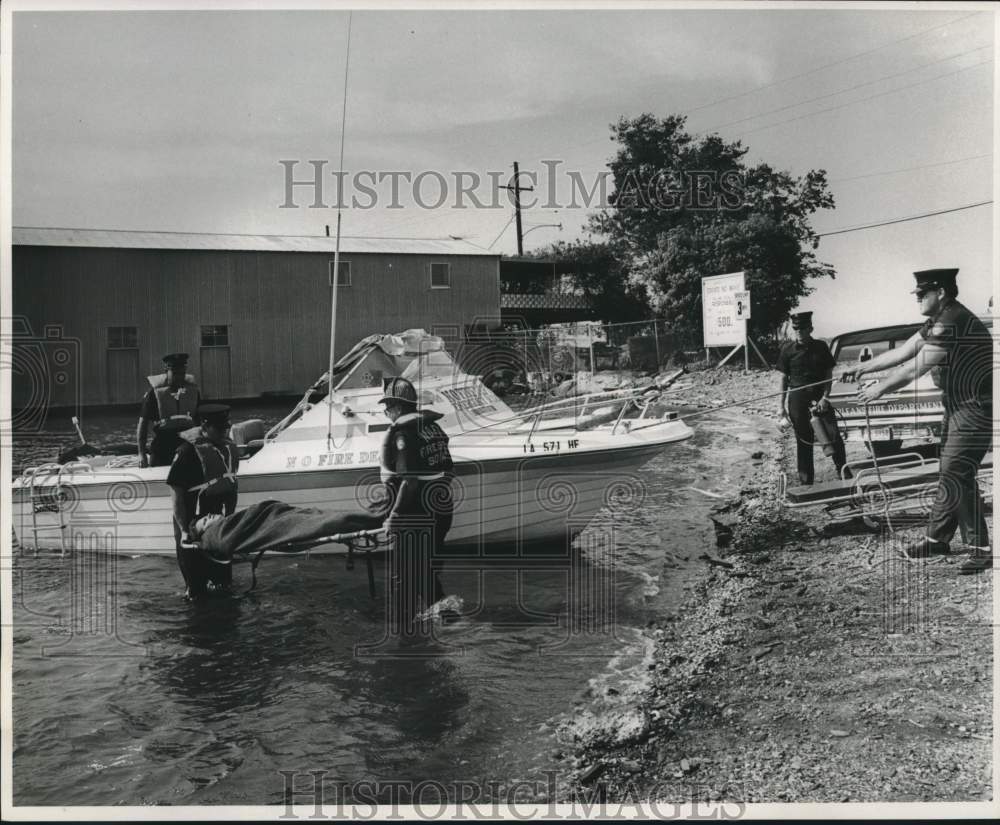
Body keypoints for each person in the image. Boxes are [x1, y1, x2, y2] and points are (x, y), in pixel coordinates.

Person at [853, 268, 992, 574]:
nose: (917, 299)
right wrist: (864, 369)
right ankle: (937, 539)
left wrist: (878, 389)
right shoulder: (939, 320)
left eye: (922, 294)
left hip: (974, 408)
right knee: (949, 471)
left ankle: (980, 549)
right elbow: (905, 351)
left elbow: (914, 368)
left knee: (956, 472)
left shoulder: (953, 322)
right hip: (957, 406)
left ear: (940, 292)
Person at [377, 376, 454, 629]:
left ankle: (404, 631)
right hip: (442, 510)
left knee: (403, 578)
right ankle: (449, 618)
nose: (386, 412)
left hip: (416, 514)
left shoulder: (404, 433)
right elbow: (449, 471)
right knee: (425, 573)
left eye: (387, 407)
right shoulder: (434, 428)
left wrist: (395, 516)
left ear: (397, 408)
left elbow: (409, 481)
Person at [166, 403, 240, 598]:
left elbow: (231, 485)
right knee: (197, 591)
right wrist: (183, 531)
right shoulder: (187, 452)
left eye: (227, 427)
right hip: (191, 524)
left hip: (217, 524)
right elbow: (177, 496)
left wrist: (230, 522)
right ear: (205, 427)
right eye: (220, 428)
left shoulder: (226, 449)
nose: (225, 432)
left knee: (223, 585)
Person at [776, 311, 849, 485]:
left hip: (819, 397)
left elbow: (828, 374)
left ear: (810, 329)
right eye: (796, 329)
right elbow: (783, 379)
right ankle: (806, 481)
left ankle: (844, 472)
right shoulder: (787, 349)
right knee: (803, 440)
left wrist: (826, 397)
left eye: (802, 329)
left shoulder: (821, 347)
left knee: (833, 435)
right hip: (797, 399)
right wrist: (781, 407)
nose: (798, 332)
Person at [138, 352, 200, 467]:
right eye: (175, 373)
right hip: (163, 443)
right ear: (167, 371)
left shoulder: (193, 391)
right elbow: (143, 423)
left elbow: (201, 421)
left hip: (186, 443)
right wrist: (141, 453)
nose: (179, 377)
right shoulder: (154, 393)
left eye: (182, 373)